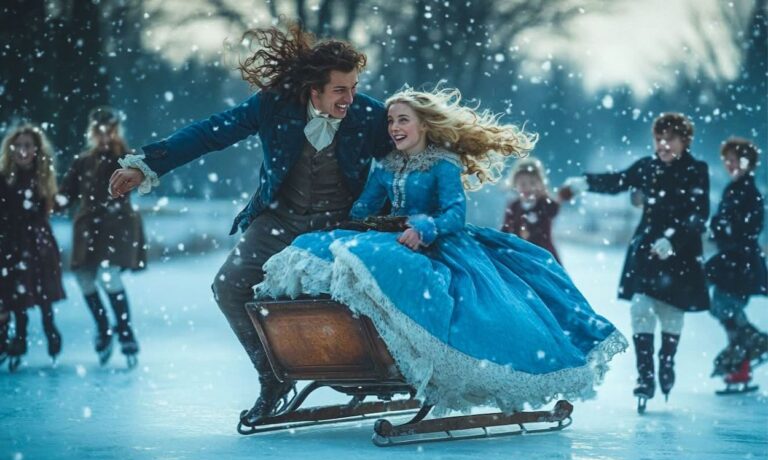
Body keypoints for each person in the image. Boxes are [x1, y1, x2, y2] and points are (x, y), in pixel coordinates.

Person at [254, 87, 627, 414]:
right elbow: (365, 207)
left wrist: (425, 227)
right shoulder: (385, 166)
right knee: (321, 246)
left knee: (421, 279)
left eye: (403, 120)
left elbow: (454, 213)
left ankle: (428, 356)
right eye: (390, 122)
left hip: (442, 243)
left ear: (425, 126)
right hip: (394, 235)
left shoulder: (443, 165)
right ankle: (365, 345)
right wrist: (351, 219)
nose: (394, 128)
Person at [107, 23, 391, 421]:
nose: (350, 97)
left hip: (340, 225)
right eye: (340, 90)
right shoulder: (273, 104)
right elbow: (210, 134)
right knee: (230, 286)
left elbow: (400, 165)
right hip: (280, 217)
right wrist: (147, 166)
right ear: (314, 89)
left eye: (355, 87)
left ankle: (369, 372)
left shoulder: (370, 115)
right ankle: (272, 376)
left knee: (350, 292)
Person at [560, 112, 709, 407]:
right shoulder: (647, 167)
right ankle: (645, 377)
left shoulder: (696, 170)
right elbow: (618, 180)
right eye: (659, 139)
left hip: (681, 255)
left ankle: (666, 364)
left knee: (671, 314)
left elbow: (698, 215)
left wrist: (673, 240)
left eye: (671, 139)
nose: (664, 145)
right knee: (641, 308)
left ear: (684, 141)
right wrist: (584, 183)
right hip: (647, 252)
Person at [57, 107, 147, 367]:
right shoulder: (83, 160)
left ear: (117, 130)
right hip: (87, 227)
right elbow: (66, 193)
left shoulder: (128, 158)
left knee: (109, 275)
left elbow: (144, 180)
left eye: (110, 130)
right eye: (100, 131)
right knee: (84, 277)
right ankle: (103, 327)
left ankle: (125, 331)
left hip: (116, 225)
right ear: (93, 132)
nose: (106, 136)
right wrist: (51, 201)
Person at [0, 123, 66, 370]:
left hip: (38, 240)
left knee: (41, 290)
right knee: (17, 291)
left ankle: (50, 330)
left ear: (37, 149)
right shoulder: (4, 177)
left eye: (27, 145)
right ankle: (19, 339)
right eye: (17, 145)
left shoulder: (43, 177)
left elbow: (52, 205)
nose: (22, 151)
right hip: (10, 239)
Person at [706, 137, 767, 388]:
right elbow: (722, 225)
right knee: (720, 304)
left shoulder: (750, 192)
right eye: (727, 161)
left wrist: (723, 229)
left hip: (741, 262)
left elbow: (746, 230)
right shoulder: (732, 189)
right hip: (731, 259)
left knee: (724, 304)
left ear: (749, 163)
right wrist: (719, 229)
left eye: (736, 160)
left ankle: (748, 346)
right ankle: (744, 353)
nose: (730, 165)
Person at [501, 156, 562, 264]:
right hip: (520, 254)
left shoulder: (543, 203)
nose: (528, 188)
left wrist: (553, 197)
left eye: (533, 183)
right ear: (515, 185)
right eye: (523, 184)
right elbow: (505, 229)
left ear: (540, 184)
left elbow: (554, 210)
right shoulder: (514, 206)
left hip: (543, 254)